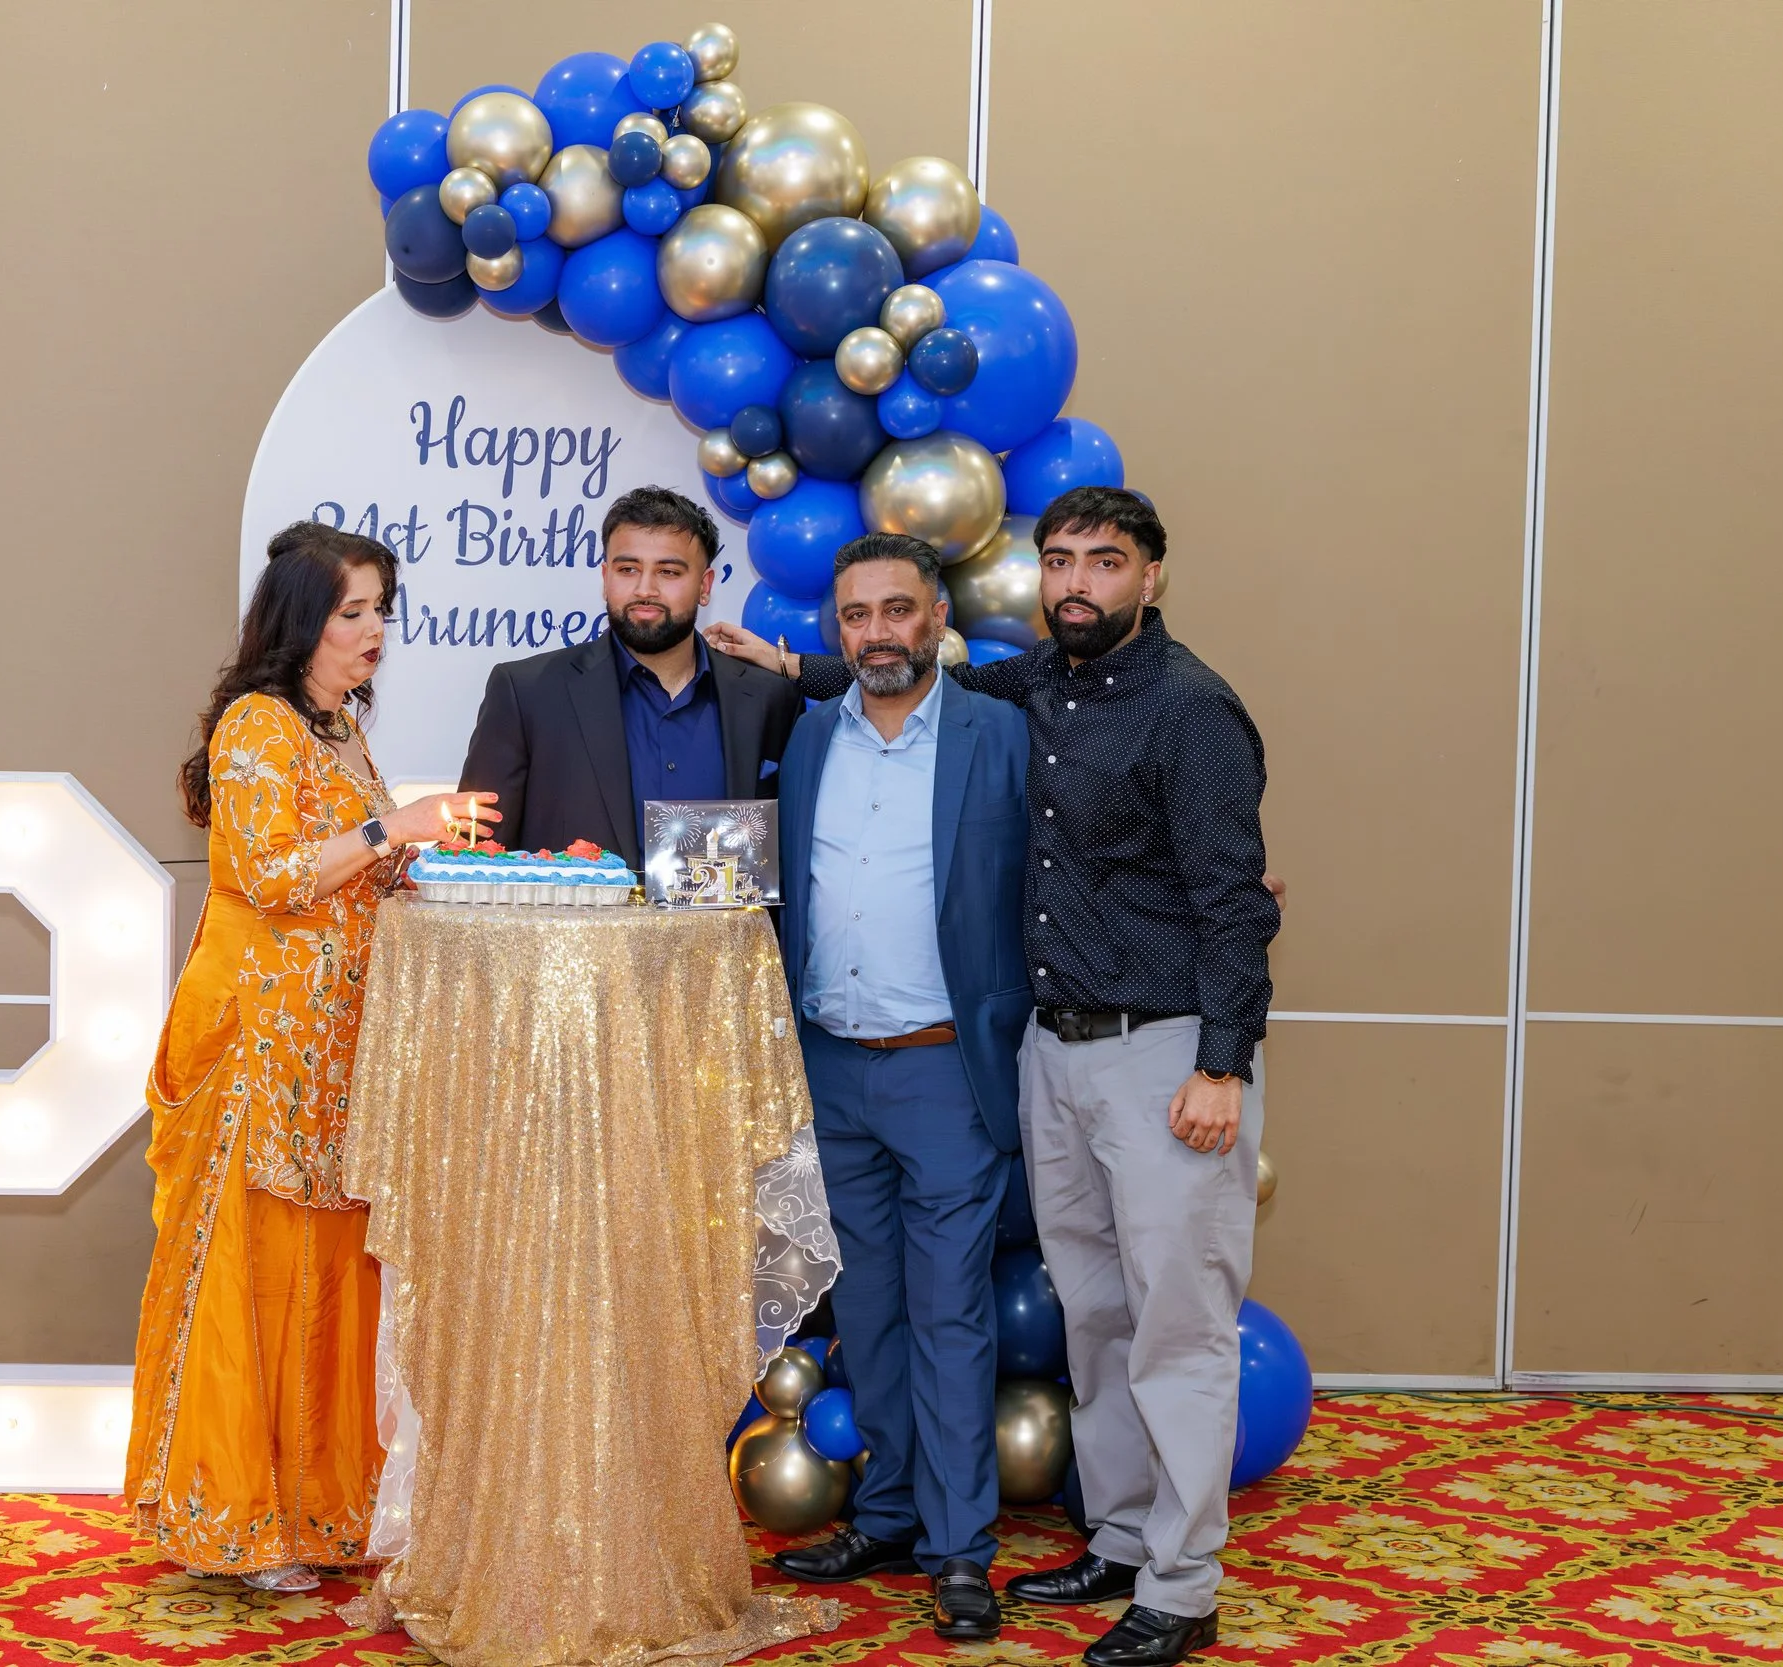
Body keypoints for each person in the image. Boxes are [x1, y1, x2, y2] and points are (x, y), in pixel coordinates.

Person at [714, 487, 1276, 1667]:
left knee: (1175, 1328)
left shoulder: (1188, 708)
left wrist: (1223, 1060)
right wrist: (788, 658)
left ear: (1151, 577)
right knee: (1096, 1316)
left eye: (1104, 563)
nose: (1076, 582)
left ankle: (1178, 1584)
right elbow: (875, 665)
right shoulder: (1031, 690)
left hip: (1163, 1050)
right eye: (1059, 561)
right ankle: (1120, 1538)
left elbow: (1234, 898)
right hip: (1047, 1055)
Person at [123, 521, 496, 1594]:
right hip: (256, 1043)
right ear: (302, 622)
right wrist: (393, 829)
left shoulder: (335, 729)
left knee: (328, 1273)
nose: (376, 629)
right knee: (255, 1268)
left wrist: (420, 854)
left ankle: (319, 1506)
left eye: (383, 608)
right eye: (353, 610)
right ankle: (236, 1520)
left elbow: (351, 873)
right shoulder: (257, 723)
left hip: (335, 1045)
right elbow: (274, 872)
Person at [768, 533, 1029, 1643]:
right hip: (831, 1063)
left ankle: (960, 1547)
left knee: (951, 1311)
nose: (876, 631)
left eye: (897, 609)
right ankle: (883, 1510)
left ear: (935, 618)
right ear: (837, 631)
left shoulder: (998, 734)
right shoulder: (809, 733)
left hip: (943, 1069)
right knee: (864, 1306)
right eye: (856, 615)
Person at [457, 486, 804, 863]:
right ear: (606, 578)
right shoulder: (526, 693)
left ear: (705, 587)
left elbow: (790, 853)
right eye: (627, 569)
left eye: (668, 572)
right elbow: (476, 860)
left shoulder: (769, 698)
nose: (645, 589)